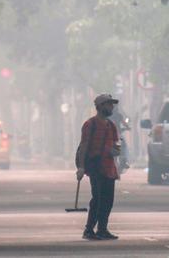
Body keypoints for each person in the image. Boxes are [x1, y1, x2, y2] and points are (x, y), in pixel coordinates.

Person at [75, 94, 121, 241]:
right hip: (96, 167)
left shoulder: (111, 126)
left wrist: (117, 152)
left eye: (112, 104)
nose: (111, 107)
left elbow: (115, 146)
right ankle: (89, 230)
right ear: (100, 107)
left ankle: (102, 229)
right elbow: (84, 146)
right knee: (98, 199)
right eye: (108, 104)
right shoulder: (91, 124)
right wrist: (81, 167)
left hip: (109, 168)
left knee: (108, 200)